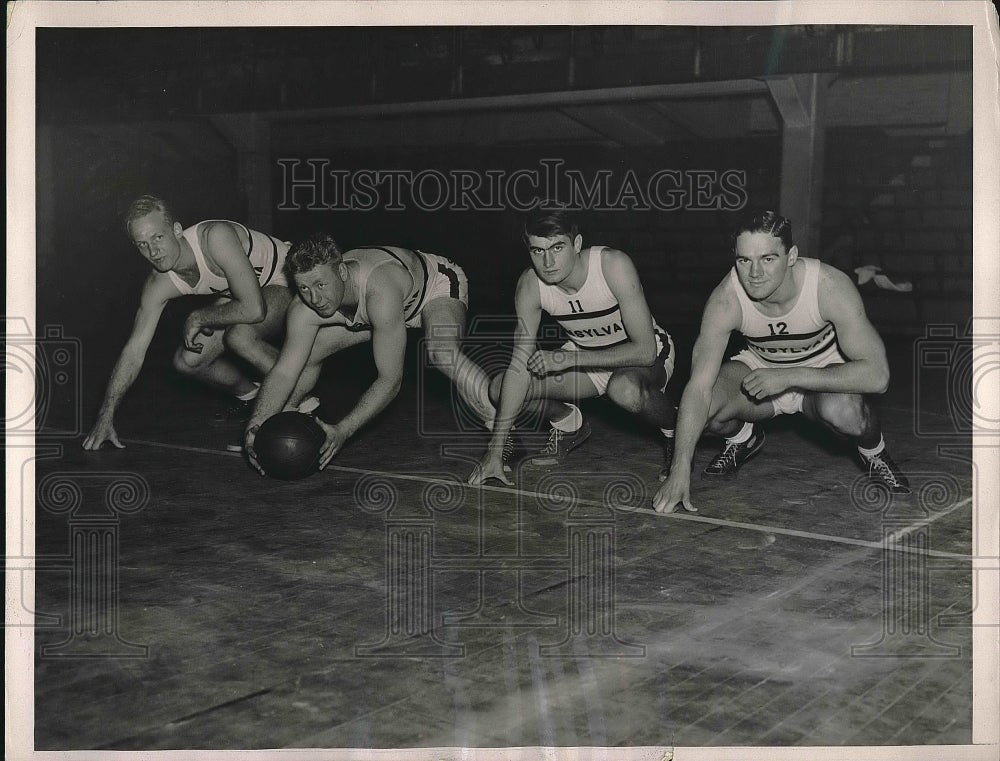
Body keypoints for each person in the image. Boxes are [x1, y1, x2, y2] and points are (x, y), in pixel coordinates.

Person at [653, 209, 910, 514]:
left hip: (822, 374)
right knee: (698, 412)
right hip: (761, 372)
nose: (755, 273)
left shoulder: (827, 286)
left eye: (768, 259)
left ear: (791, 256)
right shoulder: (726, 299)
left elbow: (878, 376)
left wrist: (790, 375)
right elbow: (698, 387)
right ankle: (742, 438)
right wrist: (681, 468)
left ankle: (874, 451)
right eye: (744, 260)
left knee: (845, 412)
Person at [244, 234, 496, 470]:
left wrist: (343, 430)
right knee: (310, 350)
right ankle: (286, 419)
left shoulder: (379, 291)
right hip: (386, 311)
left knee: (442, 353)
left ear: (341, 271)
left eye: (321, 284)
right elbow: (284, 370)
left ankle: (502, 429)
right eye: (304, 288)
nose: (315, 298)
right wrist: (258, 423)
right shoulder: (303, 308)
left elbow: (390, 380)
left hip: (433, 289)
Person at [469, 207, 678, 486]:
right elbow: (518, 367)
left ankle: (677, 430)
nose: (548, 262)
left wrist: (571, 359)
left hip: (641, 357)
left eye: (557, 247)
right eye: (538, 251)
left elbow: (645, 351)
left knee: (624, 389)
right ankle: (568, 424)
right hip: (586, 359)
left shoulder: (612, 266)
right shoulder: (530, 285)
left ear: (577, 244)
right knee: (500, 386)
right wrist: (494, 450)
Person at [82, 195, 294, 450]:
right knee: (188, 361)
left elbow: (254, 308)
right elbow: (134, 351)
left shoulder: (214, 237)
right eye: (142, 244)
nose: (153, 251)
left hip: (288, 279)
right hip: (247, 296)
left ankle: (296, 404)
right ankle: (253, 397)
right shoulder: (158, 284)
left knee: (239, 336)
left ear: (177, 230)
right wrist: (106, 415)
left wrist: (199, 316)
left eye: (158, 237)